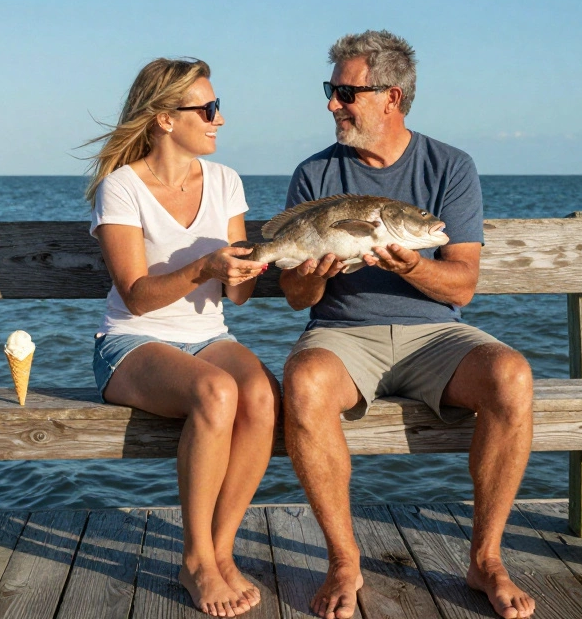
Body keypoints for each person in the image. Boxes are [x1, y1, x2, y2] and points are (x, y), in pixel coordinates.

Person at [278, 31, 537, 619]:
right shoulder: (314, 175)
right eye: (330, 89)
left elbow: (463, 283)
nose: (331, 104)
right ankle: (345, 562)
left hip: (437, 338)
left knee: (512, 375)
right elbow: (296, 297)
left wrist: (414, 264)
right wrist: (314, 274)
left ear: (390, 97)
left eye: (345, 92)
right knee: (304, 382)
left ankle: (486, 559)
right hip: (343, 334)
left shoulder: (450, 167)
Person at [85, 57, 278, 618]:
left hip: (208, 336)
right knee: (217, 393)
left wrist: (240, 275)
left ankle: (221, 550)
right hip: (131, 343)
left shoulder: (226, 181)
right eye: (209, 109)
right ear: (166, 118)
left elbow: (235, 296)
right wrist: (205, 266)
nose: (219, 119)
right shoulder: (120, 188)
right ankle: (195, 560)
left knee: (263, 396)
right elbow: (137, 295)